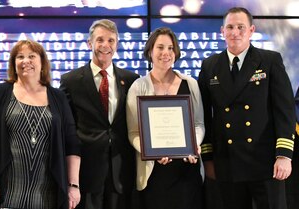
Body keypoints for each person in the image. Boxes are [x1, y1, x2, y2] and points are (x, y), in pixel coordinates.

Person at [198, 7, 296, 209]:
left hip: (266, 162)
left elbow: (284, 111)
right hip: (227, 162)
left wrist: (284, 155)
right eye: (230, 27)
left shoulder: (269, 60)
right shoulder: (210, 65)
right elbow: (204, 115)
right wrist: (208, 158)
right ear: (222, 31)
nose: (235, 32)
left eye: (241, 27)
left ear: (251, 30)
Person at [0, 39, 81, 209]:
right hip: (6, 193)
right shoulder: (1, 93)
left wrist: (73, 185)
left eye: (31, 56)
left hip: (48, 196)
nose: (25, 61)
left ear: (42, 63)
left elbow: (72, 144)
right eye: (20, 57)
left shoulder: (58, 97)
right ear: (13, 64)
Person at [60, 19, 139, 209]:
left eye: (111, 41)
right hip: (86, 172)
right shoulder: (71, 81)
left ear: (117, 45)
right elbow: (66, 129)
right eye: (100, 40)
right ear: (89, 43)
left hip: (121, 172)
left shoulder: (131, 80)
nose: (106, 45)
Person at [125, 27, 205, 209]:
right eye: (160, 47)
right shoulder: (138, 87)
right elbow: (133, 132)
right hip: (154, 174)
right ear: (150, 51)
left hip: (187, 171)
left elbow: (199, 123)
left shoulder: (190, 84)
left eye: (170, 48)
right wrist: (151, 151)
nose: (166, 53)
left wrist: (194, 145)